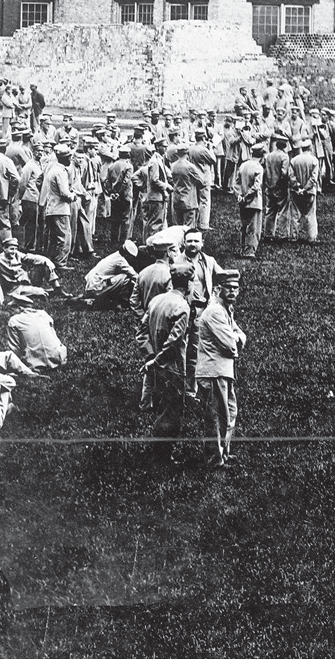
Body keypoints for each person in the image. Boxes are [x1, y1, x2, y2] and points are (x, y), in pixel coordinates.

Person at [142, 261, 194, 462]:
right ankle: (162, 455)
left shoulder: (156, 300)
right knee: (171, 411)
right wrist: (158, 361)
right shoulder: (182, 307)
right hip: (172, 367)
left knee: (161, 405)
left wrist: (150, 356)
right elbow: (175, 342)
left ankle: (158, 452)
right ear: (188, 285)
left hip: (156, 363)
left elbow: (141, 331)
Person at [194, 268, 246, 468]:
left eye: (236, 288)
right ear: (218, 289)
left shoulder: (225, 309)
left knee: (229, 412)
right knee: (217, 417)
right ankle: (215, 458)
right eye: (228, 288)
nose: (233, 291)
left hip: (222, 370)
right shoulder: (216, 311)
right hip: (213, 371)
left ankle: (223, 453)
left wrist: (237, 337)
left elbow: (238, 335)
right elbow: (231, 344)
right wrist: (237, 339)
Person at [5, 286, 66, 370]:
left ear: (20, 308)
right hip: (59, 360)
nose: (12, 312)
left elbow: (15, 349)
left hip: (33, 365)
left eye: (13, 308)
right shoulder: (44, 314)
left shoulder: (14, 321)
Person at [236, 142, 264, 259]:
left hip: (242, 201)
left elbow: (236, 183)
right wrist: (247, 197)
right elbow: (256, 186)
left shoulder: (243, 165)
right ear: (261, 156)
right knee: (254, 227)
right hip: (254, 202)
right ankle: (250, 250)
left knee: (244, 225)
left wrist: (239, 196)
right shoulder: (258, 168)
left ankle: (242, 248)